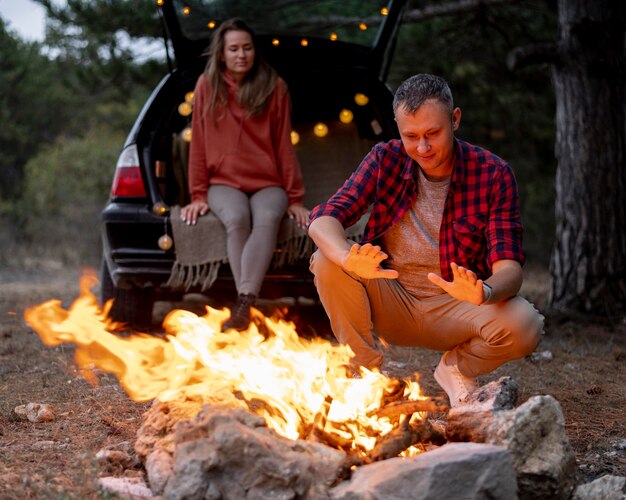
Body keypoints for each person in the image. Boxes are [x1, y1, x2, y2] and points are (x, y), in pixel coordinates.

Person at [308, 74, 543, 407]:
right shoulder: (383, 159)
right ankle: (364, 376)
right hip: (392, 297)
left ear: (455, 119)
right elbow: (324, 218)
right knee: (326, 260)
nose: (423, 148)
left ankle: (455, 369)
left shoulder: (493, 173)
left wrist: (486, 290)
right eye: (411, 136)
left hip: (456, 305)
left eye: (433, 134)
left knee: (526, 324)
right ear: (398, 128)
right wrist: (347, 256)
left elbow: (510, 268)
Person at [181, 18, 310, 332]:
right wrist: (197, 194)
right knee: (237, 219)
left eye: (247, 48)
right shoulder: (207, 86)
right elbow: (197, 142)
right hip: (223, 183)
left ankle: (243, 304)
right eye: (234, 49)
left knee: (267, 218)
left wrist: (295, 198)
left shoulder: (274, 86)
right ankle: (247, 303)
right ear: (222, 54)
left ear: (255, 51)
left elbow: (283, 146)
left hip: (269, 182)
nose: (242, 55)